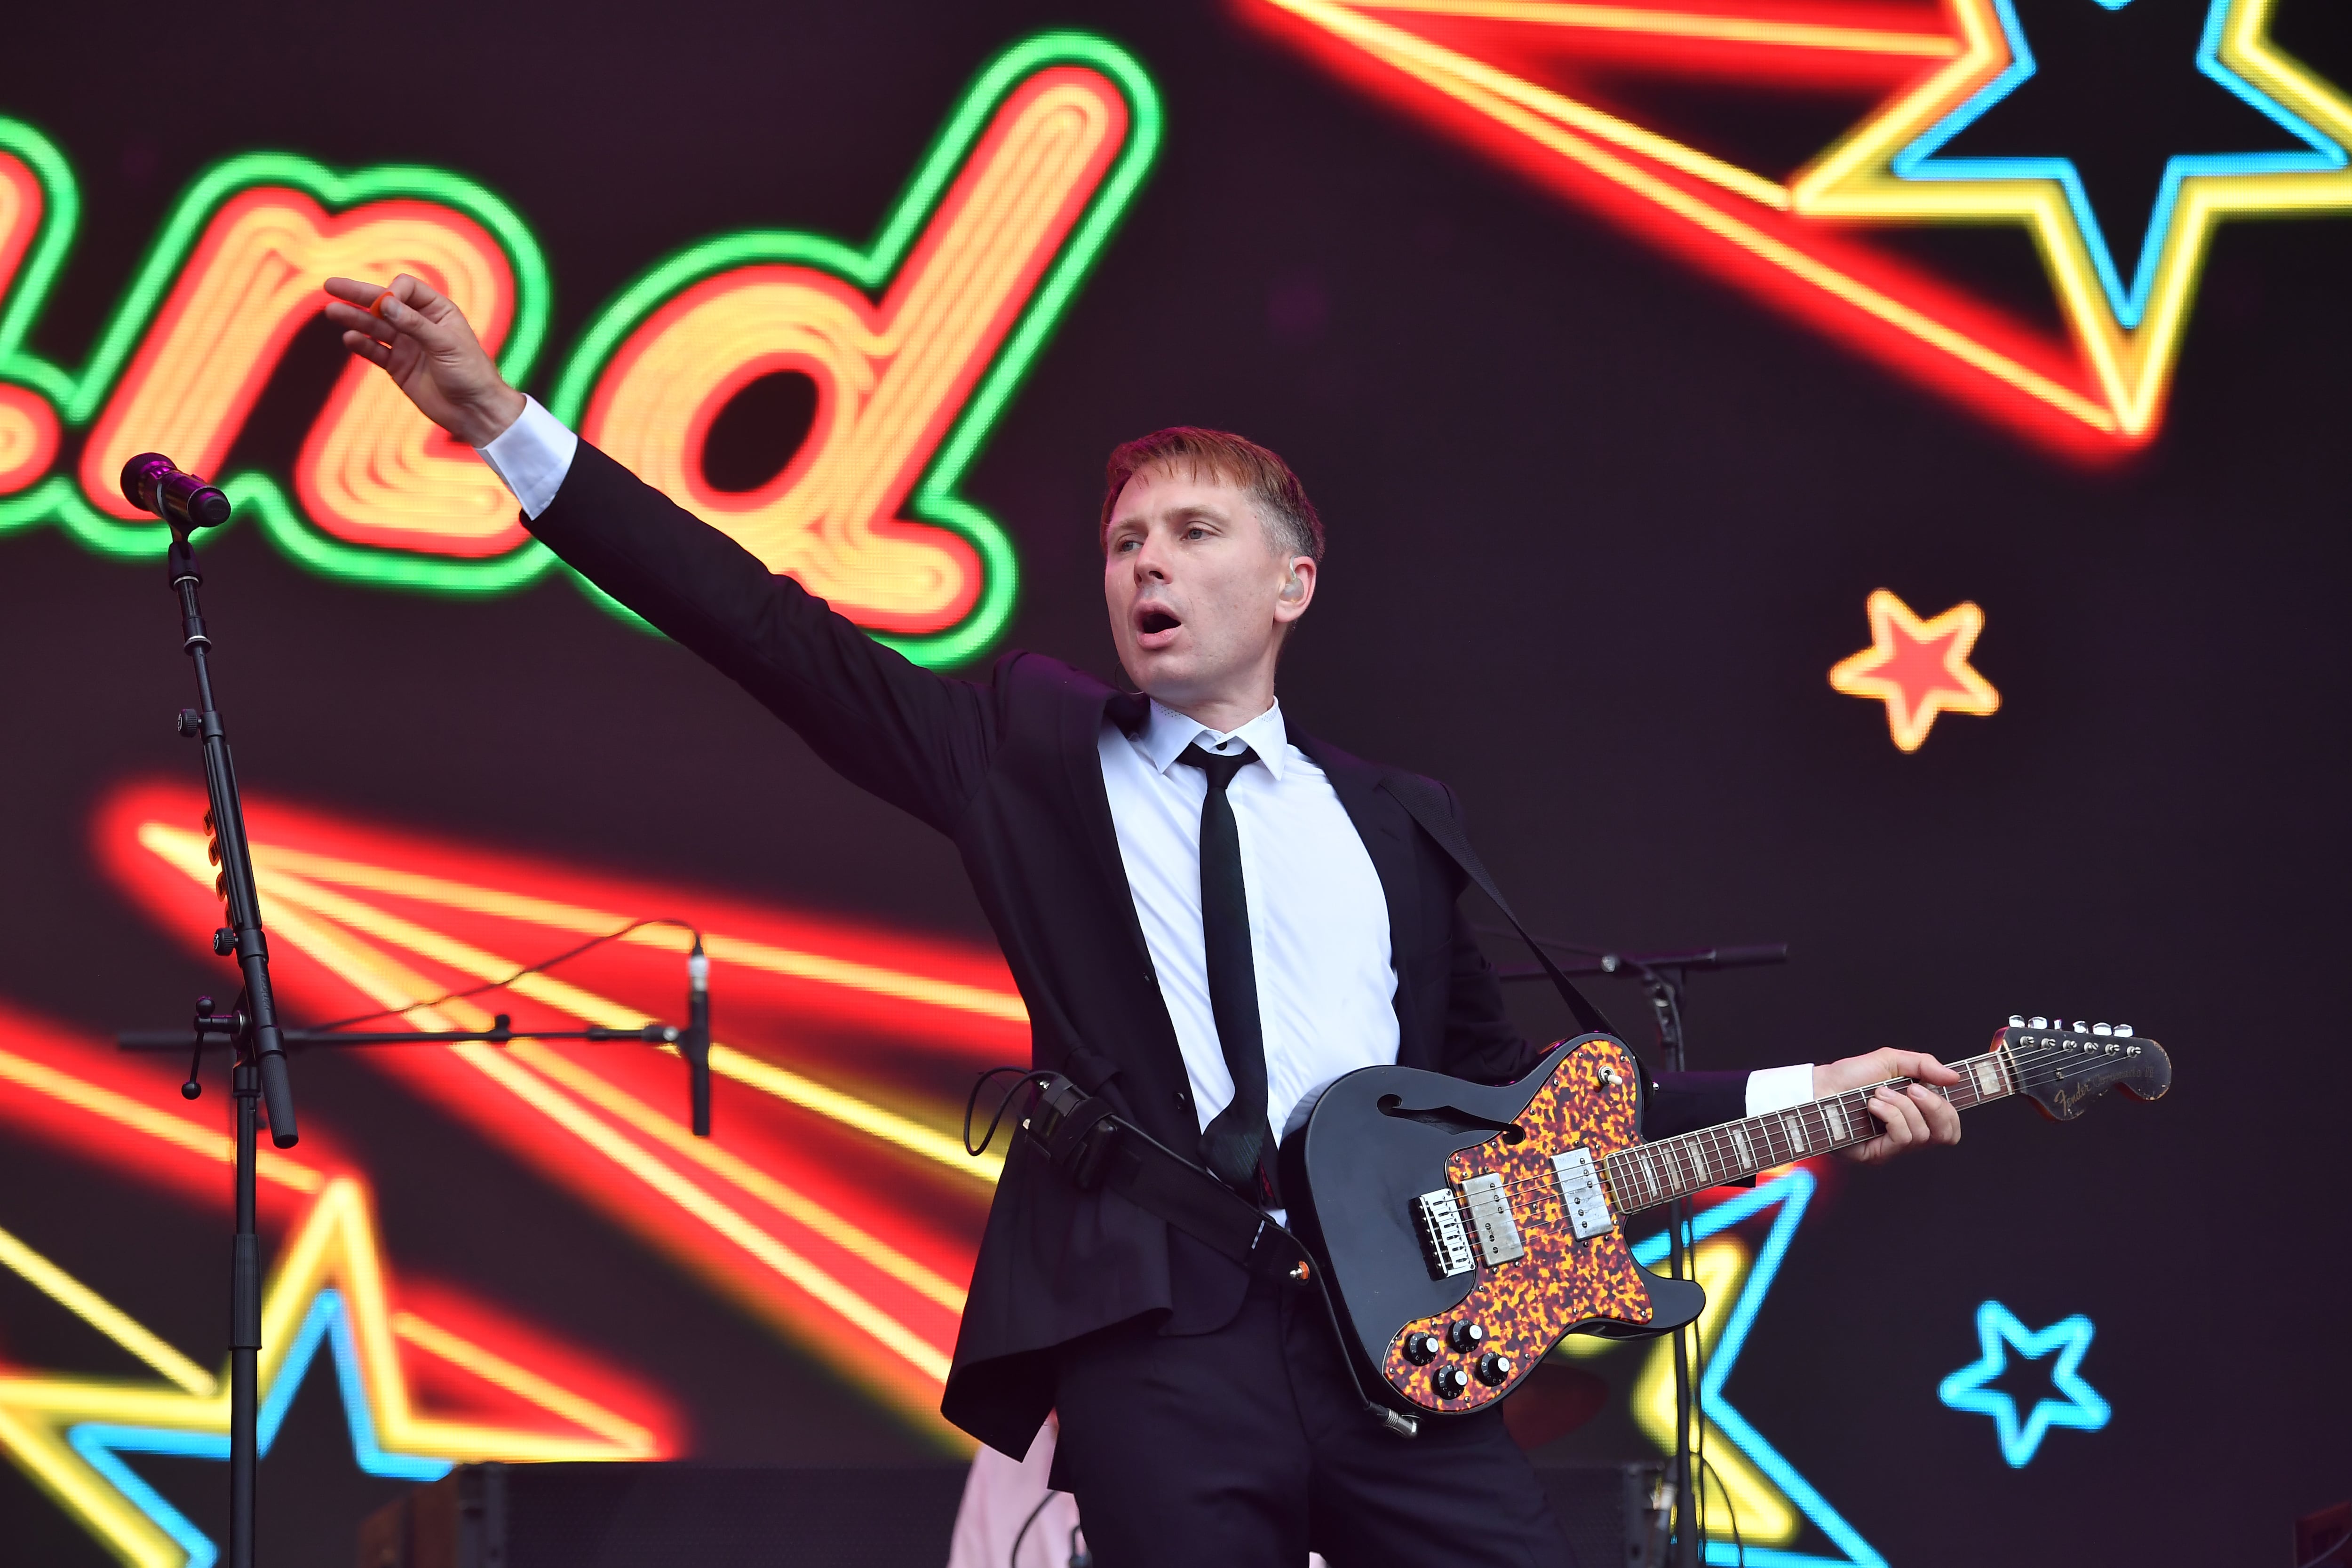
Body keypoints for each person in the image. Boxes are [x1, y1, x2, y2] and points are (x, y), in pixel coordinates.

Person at [321, 272, 1963, 1566]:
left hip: (1411, 1347)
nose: (1144, 567)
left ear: (1293, 583)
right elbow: (769, 633)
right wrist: (504, 427)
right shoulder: (1031, 757)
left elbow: (1527, 1109)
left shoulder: (1395, 818)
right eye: (1122, 543)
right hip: (1160, 1331)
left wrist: (1801, 1101)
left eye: (1191, 534)